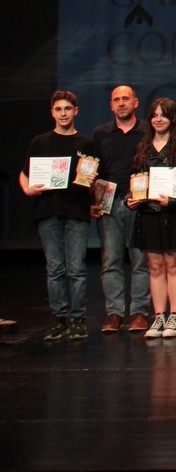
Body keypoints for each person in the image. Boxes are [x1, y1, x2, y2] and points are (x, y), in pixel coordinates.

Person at [20, 90, 94, 340]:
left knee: (76, 269)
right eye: (59, 109)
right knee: (55, 269)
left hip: (77, 212)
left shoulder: (86, 143)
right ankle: (58, 319)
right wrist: (27, 189)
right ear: (52, 112)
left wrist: (92, 180)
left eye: (67, 109)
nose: (63, 113)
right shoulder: (40, 142)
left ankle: (78, 319)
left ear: (76, 111)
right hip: (47, 211)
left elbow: (92, 177)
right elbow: (24, 173)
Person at [130, 97, 176, 339]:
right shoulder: (143, 148)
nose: (158, 119)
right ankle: (159, 316)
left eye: (164, 115)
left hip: (174, 215)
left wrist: (173, 201)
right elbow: (136, 181)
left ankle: (174, 317)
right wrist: (132, 198)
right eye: (155, 115)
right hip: (149, 214)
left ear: (172, 119)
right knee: (155, 266)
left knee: (173, 263)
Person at [92, 84, 151, 333]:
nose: (122, 103)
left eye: (126, 98)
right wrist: (93, 200)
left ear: (135, 103)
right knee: (111, 261)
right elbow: (93, 170)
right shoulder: (101, 133)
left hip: (139, 202)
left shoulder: (147, 131)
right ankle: (114, 313)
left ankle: (139, 312)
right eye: (117, 100)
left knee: (141, 261)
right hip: (109, 203)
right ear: (111, 105)